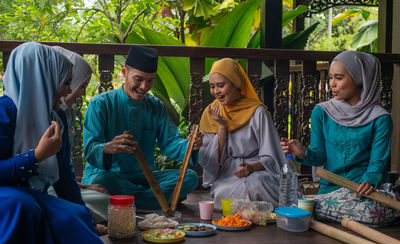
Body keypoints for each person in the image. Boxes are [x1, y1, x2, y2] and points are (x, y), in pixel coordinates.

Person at [0, 42, 104, 244]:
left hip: (32, 196)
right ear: (41, 79)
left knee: (76, 217)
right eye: (65, 82)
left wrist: (83, 214)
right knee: (21, 205)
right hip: (9, 197)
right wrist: (35, 157)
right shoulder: (4, 112)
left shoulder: (55, 119)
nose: (69, 90)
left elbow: (65, 176)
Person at [281, 50, 400, 226]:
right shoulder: (321, 112)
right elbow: (319, 156)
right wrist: (303, 152)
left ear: (359, 79)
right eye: (330, 78)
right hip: (331, 190)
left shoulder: (380, 118)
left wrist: (369, 181)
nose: (332, 84)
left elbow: (377, 163)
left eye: (339, 78)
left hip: (363, 191)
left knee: (372, 212)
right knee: (317, 205)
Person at [82, 45, 202, 210]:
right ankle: (158, 199)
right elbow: (90, 149)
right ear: (124, 72)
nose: (144, 86)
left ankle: (132, 201)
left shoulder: (156, 106)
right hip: (109, 175)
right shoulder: (100, 104)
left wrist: (190, 146)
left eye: (150, 80)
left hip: (144, 176)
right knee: (104, 182)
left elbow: (170, 142)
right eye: (138, 79)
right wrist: (108, 148)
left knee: (190, 177)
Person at [198, 58, 286, 210]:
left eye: (221, 85)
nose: (216, 91)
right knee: (224, 191)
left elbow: (274, 156)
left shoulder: (258, 112)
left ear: (236, 83)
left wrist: (251, 168)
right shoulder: (212, 112)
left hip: (259, 170)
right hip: (229, 172)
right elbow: (211, 159)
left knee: (255, 186)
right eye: (212, 87)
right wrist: (221, 126)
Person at [50, 46, 110, 229]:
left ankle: (75, 214)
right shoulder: (38, 111)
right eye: (81, 85)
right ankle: (78, 218)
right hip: (47, 188)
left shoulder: (63, 113)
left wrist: (83, 187)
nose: (82, 93)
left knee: (104, 198)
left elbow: (62, 168)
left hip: (63, 184)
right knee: (54, 199)